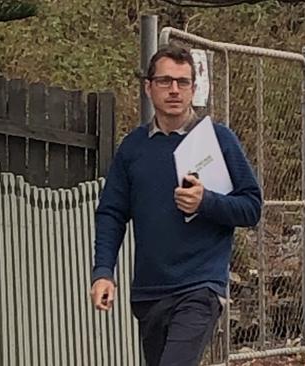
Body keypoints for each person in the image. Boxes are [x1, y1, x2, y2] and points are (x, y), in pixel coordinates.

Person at [90, 44, 262, 365]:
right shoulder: (133, 148)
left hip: (200, 286)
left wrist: (206, 202)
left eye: (183, 83)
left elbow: (252, 208)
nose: (174, 90)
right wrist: (103, 272)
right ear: (148, 87)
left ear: (193, 89)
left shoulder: (218, 140)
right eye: (165, 81)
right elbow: (111, 214)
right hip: (149, 292)